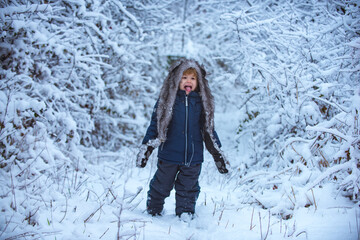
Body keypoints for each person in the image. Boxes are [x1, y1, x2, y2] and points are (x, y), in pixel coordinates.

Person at [136, 58, 229, 218]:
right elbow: (155, 126)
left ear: (199, 82)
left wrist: (217, 154)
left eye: (193, 78)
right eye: (184, 77)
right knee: (161, 185)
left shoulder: (202, 104)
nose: (188, 81)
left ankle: (185, 216)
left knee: (189, 188)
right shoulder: (167, 102)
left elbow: (209, 130)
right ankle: (153, 211)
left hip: (193, 158)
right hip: (169, 155)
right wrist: (147, 148)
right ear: (176, 80)